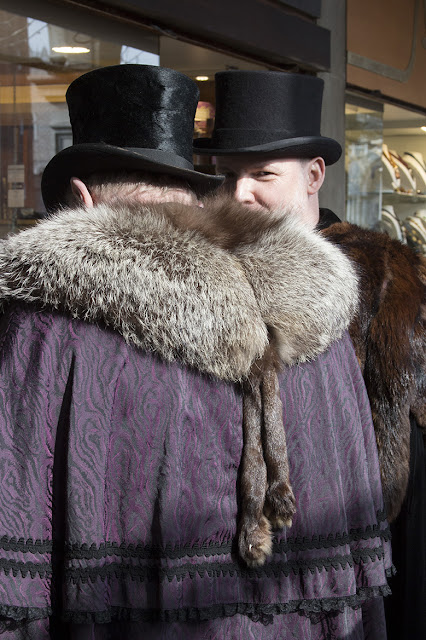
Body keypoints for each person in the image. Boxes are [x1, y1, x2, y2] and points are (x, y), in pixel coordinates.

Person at [0, 64, 392, 640]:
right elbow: (359, 581)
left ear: (81, 199)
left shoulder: (46, 326)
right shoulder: (322, 322)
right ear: (193, 189)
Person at [194, 69, 426, 640]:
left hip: (355, 563)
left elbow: (412, 455)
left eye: (262, 174)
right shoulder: (211, 275)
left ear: (314, 175)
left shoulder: (382, 279)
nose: (240, 193)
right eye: (227, 175)